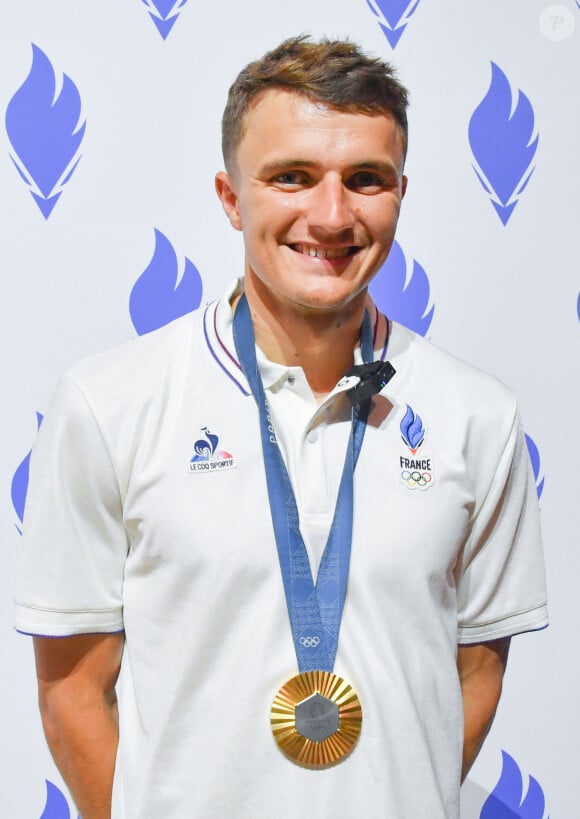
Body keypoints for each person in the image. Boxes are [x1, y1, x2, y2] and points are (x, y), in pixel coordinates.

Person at [15, 36, 547, 819]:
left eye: (364, 179)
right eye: (292, 176)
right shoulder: (109, 402)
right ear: (232, 198)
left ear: (402, 192)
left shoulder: (479, 416)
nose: (331, 215)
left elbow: (474, 676)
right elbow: (71, 691)